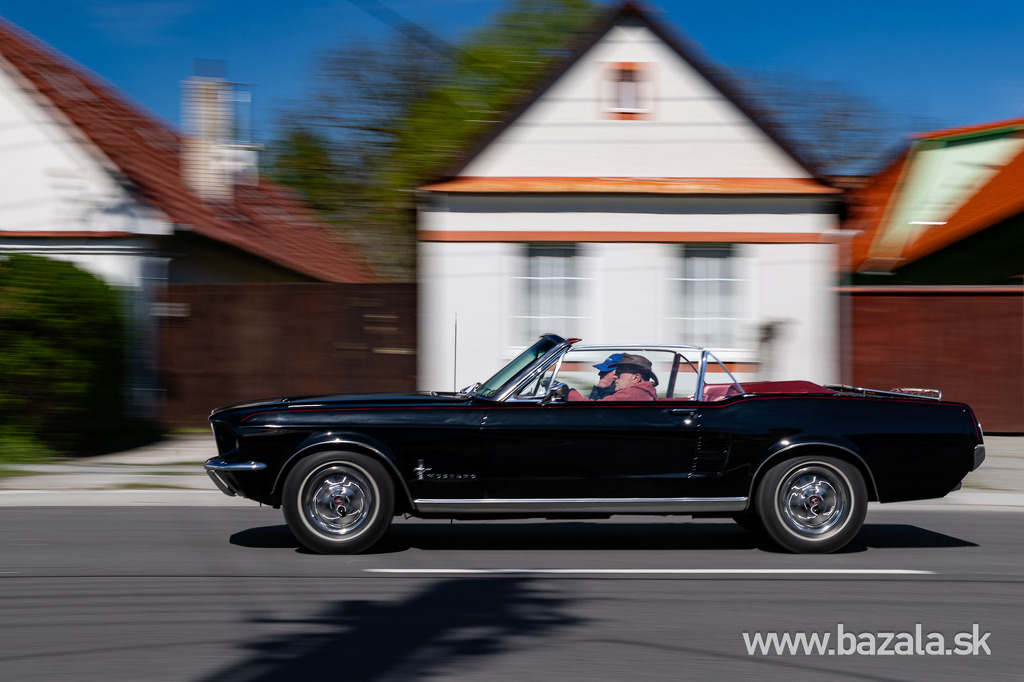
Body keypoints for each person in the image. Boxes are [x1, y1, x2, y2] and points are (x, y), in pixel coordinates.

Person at [569, 353, 658, 402]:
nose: (615, 377)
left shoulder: (633, 394)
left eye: (619, 372)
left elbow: (594, 409)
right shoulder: (643, 392)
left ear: (636, 378)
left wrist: (568, 393)